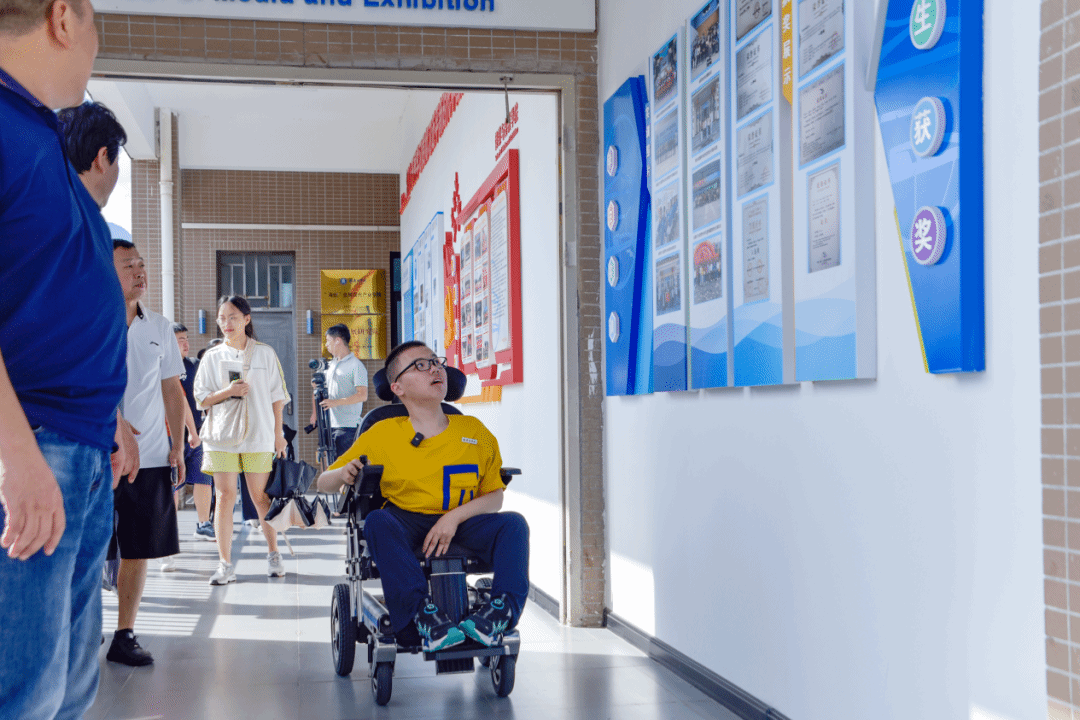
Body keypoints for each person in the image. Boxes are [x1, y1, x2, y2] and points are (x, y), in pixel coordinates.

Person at [0, 0, 138, 716]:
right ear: (63, 17)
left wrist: (109, 420)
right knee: (26, 693)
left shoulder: (39, 138)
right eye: (94, 27)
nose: (94, 48)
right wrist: (15, 458)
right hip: (34, 444)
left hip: (78, 447)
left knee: (69, 686)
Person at [317, 341, 529, 653]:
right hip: (407, 522)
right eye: (420, 365)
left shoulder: (474, 430)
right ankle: (421, 617)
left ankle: (500, 615)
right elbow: (323, 482)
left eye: (436, 362)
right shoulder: (383, 434)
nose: (435, 369)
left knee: (513, 525)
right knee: (377, 521)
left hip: (461, 522)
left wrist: (453, 518)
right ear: (397, 387)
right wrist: (343, 473)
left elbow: (494, 497)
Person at [105, 239, 186, 666]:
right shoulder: (90, 321)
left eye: (141, 264)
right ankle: (81, 628)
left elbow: (171, 388)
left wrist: (177, 446)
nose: (139, 272)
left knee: (137, 548)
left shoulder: (159, 327)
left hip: (151, 455)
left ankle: (125, 633)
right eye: (128, 266)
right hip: (98, 455)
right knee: (89, 547)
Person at [194, 295, 290, 585]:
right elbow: (201, 399)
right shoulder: (212, 357)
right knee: (225, 496)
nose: (226, 323)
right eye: (222, 318)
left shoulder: (265, 353)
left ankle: (273, 553)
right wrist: (229, 392)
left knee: (260, 497)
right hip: (221, 436)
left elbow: (277, 396)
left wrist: (278, 434)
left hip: (259, 435)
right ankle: (225, 564)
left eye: (233, 317)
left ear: (247, 319)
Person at [174, 323, 214, 540]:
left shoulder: (195, 365)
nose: (186, 343)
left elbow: (206, 395)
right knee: (173, 482)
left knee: (203, 478)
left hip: (197, 433)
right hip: (171, 435)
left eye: (186, 338)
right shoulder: (163, 366)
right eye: (180, 339)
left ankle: (203, 523)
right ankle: (170, 528)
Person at [308, 323, 368, 463]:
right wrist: (315, 413)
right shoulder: (330, 365)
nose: (326, 345)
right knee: (329, 466)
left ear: (338, 340)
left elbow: (362, 395)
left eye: (328, 340)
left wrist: (335, 403)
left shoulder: (356, 365)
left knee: (345, 466)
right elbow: (318, 390)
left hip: (347, 428)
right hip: (328, 425)